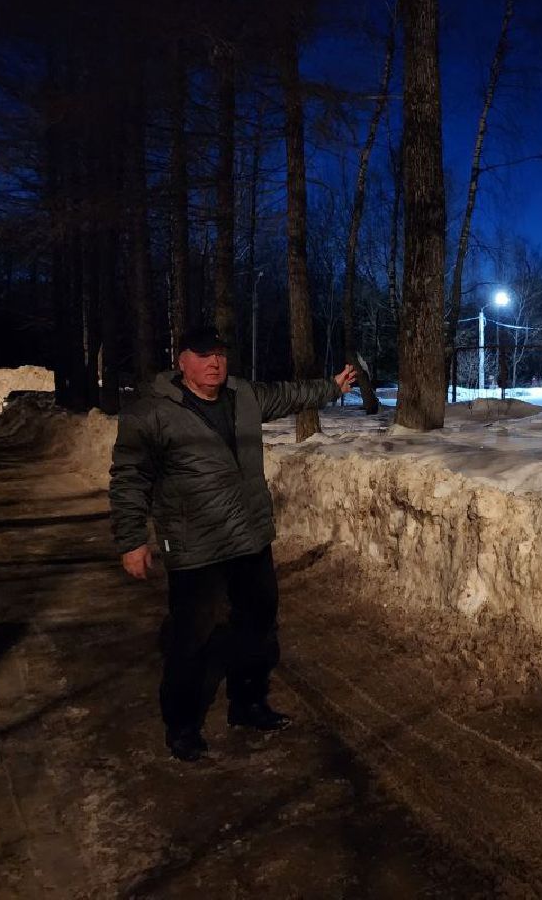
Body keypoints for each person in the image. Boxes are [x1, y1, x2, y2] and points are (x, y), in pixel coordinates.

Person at [108, 325, 357, 762]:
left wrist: (331, 388)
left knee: (257, 628)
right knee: (193, 639)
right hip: (194, 545)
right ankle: (182, 725)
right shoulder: (151, 413)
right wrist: (132, 539)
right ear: (181, 360)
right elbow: (130, 479)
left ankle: (249, 704)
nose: (214, 364)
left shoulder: (244, 396)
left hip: (249, 538)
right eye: (204, 356)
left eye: (220, 355)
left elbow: (289, 394)